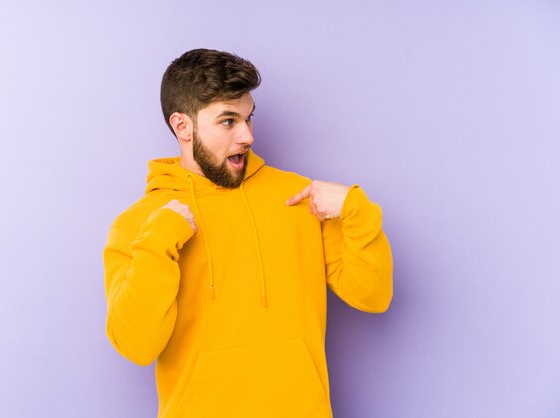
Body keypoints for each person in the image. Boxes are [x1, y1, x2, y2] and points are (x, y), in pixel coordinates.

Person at [103, 48, 393, 418]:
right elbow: (136, 346)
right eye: (228, 122)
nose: (247, 136)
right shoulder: (142, 224)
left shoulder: (300, 197)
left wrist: (357, 213)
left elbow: (373, 296)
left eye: (248, 119)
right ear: (183, 126)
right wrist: (159, 241)